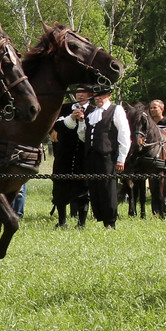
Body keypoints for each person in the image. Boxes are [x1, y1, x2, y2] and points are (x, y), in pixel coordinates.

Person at [73, 85, 130, 229]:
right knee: (95, 188)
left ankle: (110, 222)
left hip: (107, 156)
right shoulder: (91, 112)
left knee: (107, 189)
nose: (98, 98)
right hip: (91, 156)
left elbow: (124, 135)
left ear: (108, 96)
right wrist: (80, 122)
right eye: (96, 95)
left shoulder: (115, 110)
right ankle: (101, 218)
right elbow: (83, 137)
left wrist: (121, 159)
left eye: (101, 95)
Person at [52, 86, 91, 227]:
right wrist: (71, 117)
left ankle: (82, 223)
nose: (80, 95)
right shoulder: (65, 108)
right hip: (64, 154)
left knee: (83, 188)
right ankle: (61, 221)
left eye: (83, 93)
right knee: (60, 186)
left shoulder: (93, 110)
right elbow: (57, 126)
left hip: (83, 155)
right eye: (78, 92)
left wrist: (82, 120)